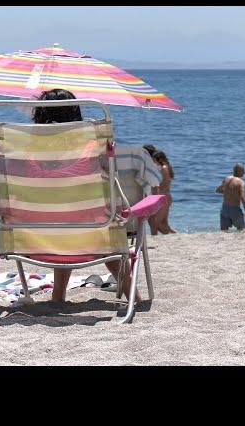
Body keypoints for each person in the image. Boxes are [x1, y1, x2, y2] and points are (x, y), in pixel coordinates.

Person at [32, 89, 140, 303]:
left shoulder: (27, 148)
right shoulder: (93, 144)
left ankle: (58, 296)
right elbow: (112, 184)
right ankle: (133, 297)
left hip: (40, 236)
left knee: (61, 219)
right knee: (106, 229)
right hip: (94, 235)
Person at [149, 150, 177, 235]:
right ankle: (175, 235)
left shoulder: (164, 168)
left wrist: (154, 186)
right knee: (163, 223)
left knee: (159, 223)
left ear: (159, 159)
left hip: (164, 197)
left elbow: (165, 183)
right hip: (164, 197)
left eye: (154, 160)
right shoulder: (164, 167)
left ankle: (176, 234)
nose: (154, 162)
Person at [216, 163, 245, 231]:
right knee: (241, 229)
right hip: (235, 209)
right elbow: (243, 196)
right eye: (243, 171)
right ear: (239, 171)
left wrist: (229, 193)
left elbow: (218, 190)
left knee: (223, 230)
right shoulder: (241, 182)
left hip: (224, 208)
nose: (244, 173)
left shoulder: (226, 179)